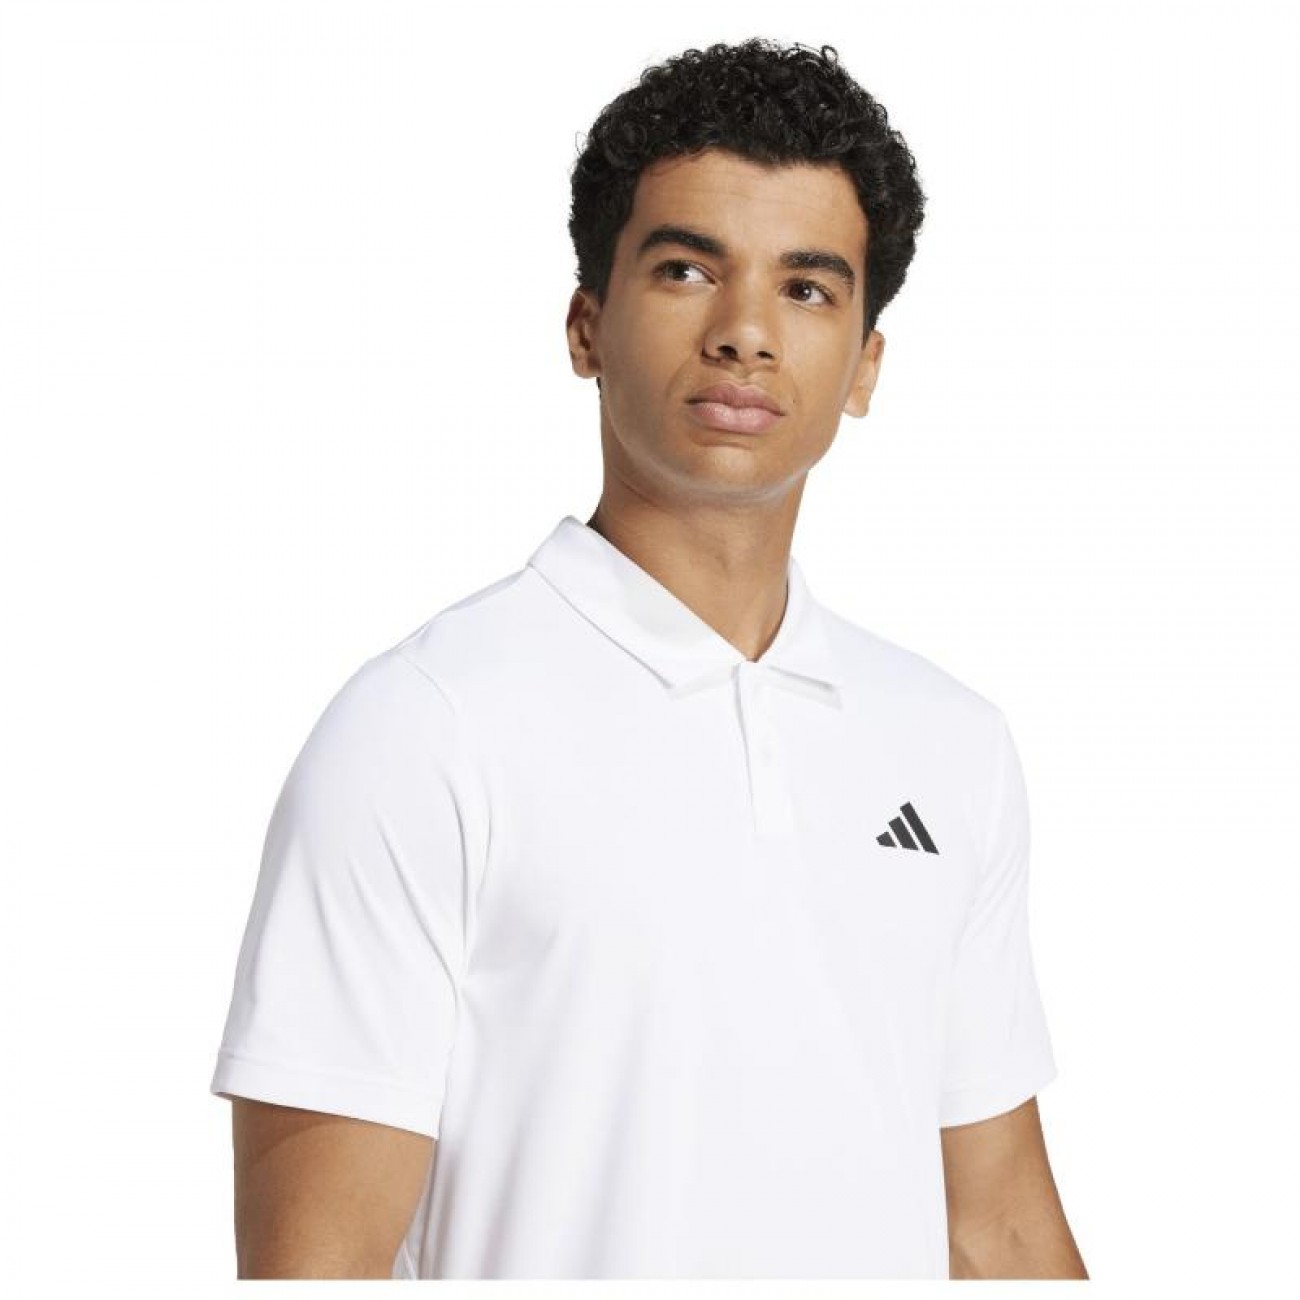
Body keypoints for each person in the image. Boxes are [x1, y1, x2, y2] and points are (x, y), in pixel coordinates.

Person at [210, 37, 1088, 1280]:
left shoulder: (950, 743)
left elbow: (994, 1222)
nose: (744, 334)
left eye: (807, 288)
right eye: (686, 270)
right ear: (587, 326)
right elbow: (317, 1262)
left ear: (864, 366)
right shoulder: (424, 728)